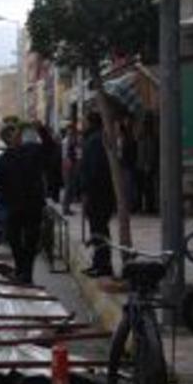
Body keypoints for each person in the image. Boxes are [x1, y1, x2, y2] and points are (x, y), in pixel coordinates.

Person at [0, 123, 46, 285]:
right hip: (20, 207)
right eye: (15, 134)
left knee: (27, 242)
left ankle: (25, 273)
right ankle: (22, 272)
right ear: (9, 138)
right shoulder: (4, 159)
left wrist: (41, 130)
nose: (18, 136)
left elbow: (50, 149)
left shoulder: (31, 151)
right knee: (18, 241)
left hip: (27, 206)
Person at [80, 113, 115, 278]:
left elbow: (94, 170)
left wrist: (86, 190)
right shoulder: (95, 139)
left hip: (98, 194)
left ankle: (103, 266)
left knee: (99, 230)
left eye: (84, 121)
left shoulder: (95, 141)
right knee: (97, 230)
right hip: (99, 193)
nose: (82, 124)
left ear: (91, 122)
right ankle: (99, 263)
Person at [61, 122, 82, 216]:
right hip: (67, 166)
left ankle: (67, 207)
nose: (72, 133)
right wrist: (67, 163)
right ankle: (65, 208)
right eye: (70, 131)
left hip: (72, 165)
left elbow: (76, 152)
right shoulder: (66, 141)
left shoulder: (73, 141)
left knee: (70, 187)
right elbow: (65, 155)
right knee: (68, 187)